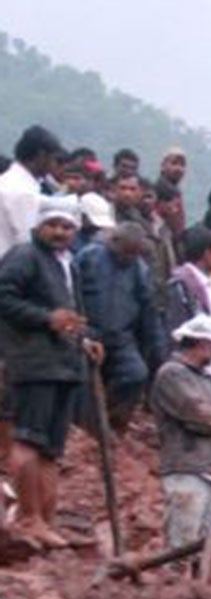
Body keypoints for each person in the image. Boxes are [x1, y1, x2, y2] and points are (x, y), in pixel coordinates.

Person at [0, 196, 98, 547]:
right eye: (53, 225)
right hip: (34, 364)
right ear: (38, 226)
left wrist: (85, 340)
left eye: (67, 226)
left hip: (65, 365)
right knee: (28, 440)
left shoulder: (69, 264)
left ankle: (44, 520)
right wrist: (46, 319)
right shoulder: (24, 257)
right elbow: (4, 298)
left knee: (52, 449)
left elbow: (72, 314)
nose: (60, 232)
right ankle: (27, 518)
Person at [148, 314, 211, 580]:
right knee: (181, 545)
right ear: (201, 343)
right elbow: (199, 416)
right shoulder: (171, 375)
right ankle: (175, 598)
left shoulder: (207, 380)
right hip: (185, 467)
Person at [75, 221, 166, 433]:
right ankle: (85, 427)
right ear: (113, 242)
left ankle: (114, 424)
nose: (129, 258)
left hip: (121, 339)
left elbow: (149, 313)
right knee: (81, 380)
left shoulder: (139, 269)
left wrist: (158, 353)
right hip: (89, 334)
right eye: (126, 253)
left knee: (135, 374)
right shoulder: (89, 257)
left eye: (134, 254)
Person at [163, 227, 211, 375]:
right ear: (207, 254)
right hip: (192, 375)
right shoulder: (182, 286)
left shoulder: (210, 284)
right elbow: (177, 333)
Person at [0, 127, 65, 255]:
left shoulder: (8, 181)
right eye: (53, 159)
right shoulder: (22, 191)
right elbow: (26, 241)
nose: (54, 164)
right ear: (42, 156)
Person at [153, 148, 189, 241]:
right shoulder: (163, 188)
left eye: (182, 165)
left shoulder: (175, 190)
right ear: (163, 166)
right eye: (174, 163)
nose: (179, 169)